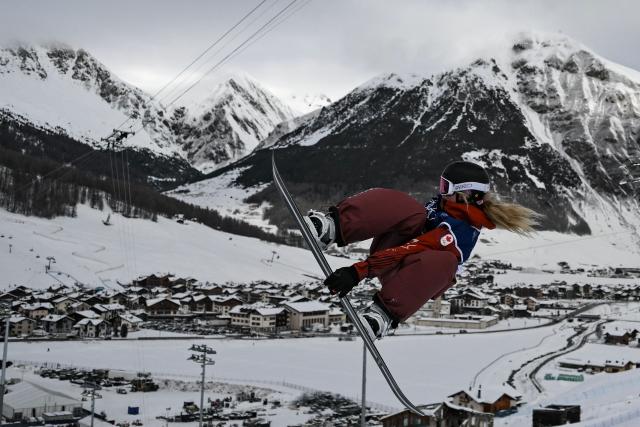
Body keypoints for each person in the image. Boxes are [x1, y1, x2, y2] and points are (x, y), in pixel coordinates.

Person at [304, 161, 541, 341]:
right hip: (390, 254)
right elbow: (399, 226)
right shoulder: (441, 205)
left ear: (466, 194)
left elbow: (410, 249)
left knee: (444, 262)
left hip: (409, 277)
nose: (440, 191)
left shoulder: (459, 232)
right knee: (408, 207)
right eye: (441, 184)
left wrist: (357, 272)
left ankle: (383, 315)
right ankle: (333, 227)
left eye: (445, 187)